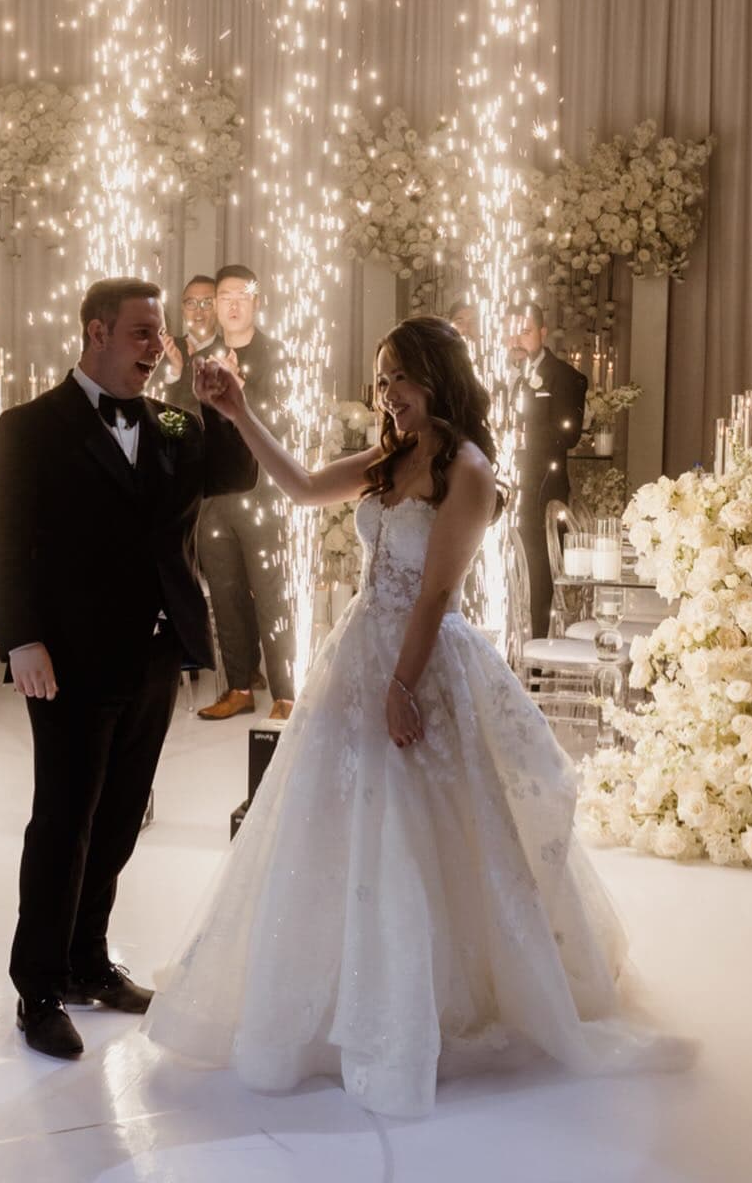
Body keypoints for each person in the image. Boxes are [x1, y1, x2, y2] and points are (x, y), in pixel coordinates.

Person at [142, 316, 688, 1117]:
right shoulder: (391, 457)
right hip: (359, 653)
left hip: (420, 665)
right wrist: (239, 412)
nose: (388, 393)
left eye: (400, 376)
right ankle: (332, 994)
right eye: (383, 377)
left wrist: (402, 686)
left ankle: (420, 1007)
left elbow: (436, 592)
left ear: (437, 376)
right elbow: (299, 486)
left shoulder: (467, 468)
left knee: (425, 830)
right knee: (331, 826)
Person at [0, 277, 257, 1062]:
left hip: (158, 650)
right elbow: (1, 538)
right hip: (66, 656)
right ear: (96, 331)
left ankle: (87, 962)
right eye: (141, 333)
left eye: (160, 335)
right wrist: (22, 639)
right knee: (63, 822)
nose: (155, 347)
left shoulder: (170, 421)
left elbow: (236, 477)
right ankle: (37, 987)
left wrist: (221, 402)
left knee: (120, 817)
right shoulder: (31, 425)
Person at [196, 264, 295, 722]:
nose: (232, 304)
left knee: (271, 592)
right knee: (225, 592)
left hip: (263, 494)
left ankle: (286, 691)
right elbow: (186, 414)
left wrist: (243, 389)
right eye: (223, 296)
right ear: (215, 306)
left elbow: (286, 414)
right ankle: (238, 686)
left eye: (241, 295)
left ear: (256, 301)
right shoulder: (204, 355)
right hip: (214, 495)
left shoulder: (275, 354)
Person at [506, 302, 587, 637]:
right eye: (512, 332)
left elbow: (568, 435)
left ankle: (537, 651)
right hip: (505, 484)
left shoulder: (565, 377)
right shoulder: (502, 375)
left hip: (542, 489)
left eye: (525, 332)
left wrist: (525, 431)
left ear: (542, 333)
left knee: (539, 573)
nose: (517, 340)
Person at [160, 274, 220, 416]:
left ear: (218, 308)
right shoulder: (165, 348)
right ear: (182, 308)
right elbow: (152, 406)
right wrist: (175, 371)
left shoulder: (229, 353)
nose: (198, 311)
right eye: (191, 303)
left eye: (207, 303)